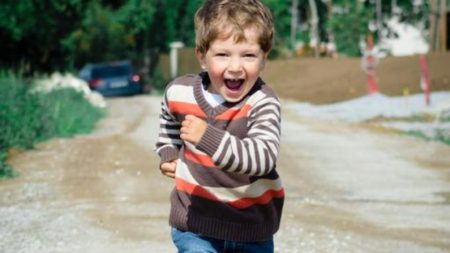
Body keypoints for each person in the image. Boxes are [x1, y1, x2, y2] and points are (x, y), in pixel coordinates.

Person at [154, 0, 284, 252]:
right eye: (223, 54)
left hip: (250, 227)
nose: (235, 67)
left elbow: (262, 159)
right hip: (196, 225)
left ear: (264, 58)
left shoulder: (262, 102)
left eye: (248, 55)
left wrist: (207, 137)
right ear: (202, 56)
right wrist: (168, 152)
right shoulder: (179, 91)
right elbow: (168, 119)